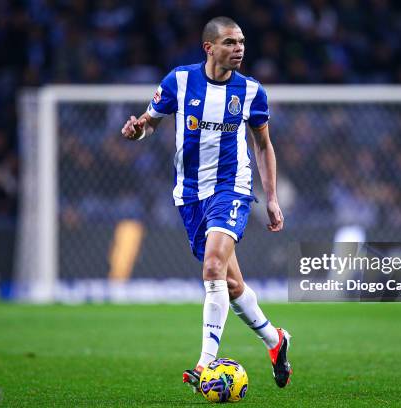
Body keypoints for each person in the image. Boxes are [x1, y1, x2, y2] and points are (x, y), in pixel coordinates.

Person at [121, 16, 292, 390]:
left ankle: (204, 364)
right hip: (190, 194)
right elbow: (150, 123)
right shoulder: (179, 81)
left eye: (242, 42)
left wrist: (272, 198)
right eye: (231, 42)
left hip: (232, 187)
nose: (239, 49)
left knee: (213, 266)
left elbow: (263, 144)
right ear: (209, 48)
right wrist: (137, 131)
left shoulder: (250, 91)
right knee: (230, 284)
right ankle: (275, 341)